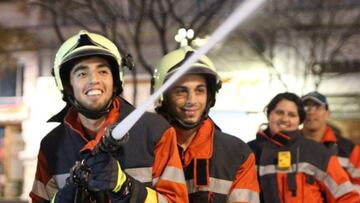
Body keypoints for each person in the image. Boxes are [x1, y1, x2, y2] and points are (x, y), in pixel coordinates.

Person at [29, 30, 188, 203]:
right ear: (68, 86)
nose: (93, 80)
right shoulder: (52, 146)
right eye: (82, 73)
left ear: (115, 80)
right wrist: (63, 198)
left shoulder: (155, 132)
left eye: (103, 71)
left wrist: (126, 188)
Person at [151, 46, 260, 202]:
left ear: (210, 96)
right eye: (181, 91)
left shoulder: (237, 153)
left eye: (199, 90)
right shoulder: (142, 147)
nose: (191, 101)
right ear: (163, 96)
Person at [248, 92, 360, 203]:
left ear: (299, 120)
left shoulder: (318, 152)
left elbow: (346, 196)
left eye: (292, 115)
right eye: (279, 112)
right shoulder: (248, 152)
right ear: (269, 114)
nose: (285, 118)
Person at [302, 91, 360, 192]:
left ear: (328, 114)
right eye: (306, 107)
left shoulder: (349, 149)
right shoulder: (287, 145)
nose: (311, 112)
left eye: (317, 107)